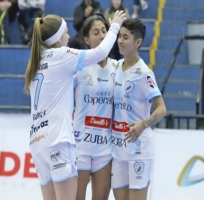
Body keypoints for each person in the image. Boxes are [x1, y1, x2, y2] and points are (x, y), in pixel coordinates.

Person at [24, 11, 127, 200]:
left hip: (37, 144)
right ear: (57, 37)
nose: (69, 36)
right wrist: (115, 26)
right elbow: (100, 52)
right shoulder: (61, 55)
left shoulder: (36, 61)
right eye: (65, 32)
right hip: (59, 141)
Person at [111, 18, 167, 200]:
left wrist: (143, 124)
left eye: (125, 37)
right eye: (119, 36)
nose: (120, 40)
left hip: (139, 148)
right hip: (118, 148)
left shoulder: (144, 73)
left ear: (138, 42)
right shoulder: (116, 66)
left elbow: (161, 109)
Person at [73, 13, 117, 200]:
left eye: (104, 31)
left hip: (104, 150)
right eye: (96, 32)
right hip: (79, 147)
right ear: (86, 39)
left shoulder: (118, 68)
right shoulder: (77, 67)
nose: (101, 35)